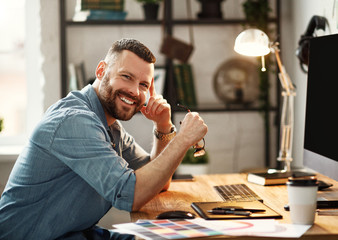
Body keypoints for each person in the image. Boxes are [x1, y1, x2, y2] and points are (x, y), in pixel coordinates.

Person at [0, 38, 208, 240]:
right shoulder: (75, 121)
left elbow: (158, 182)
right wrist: (182, 139)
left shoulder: (109, 126)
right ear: (101, 71)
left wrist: (162, 126)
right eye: (126, 76)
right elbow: (132, 195)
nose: (135, 91)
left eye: (144, 85)